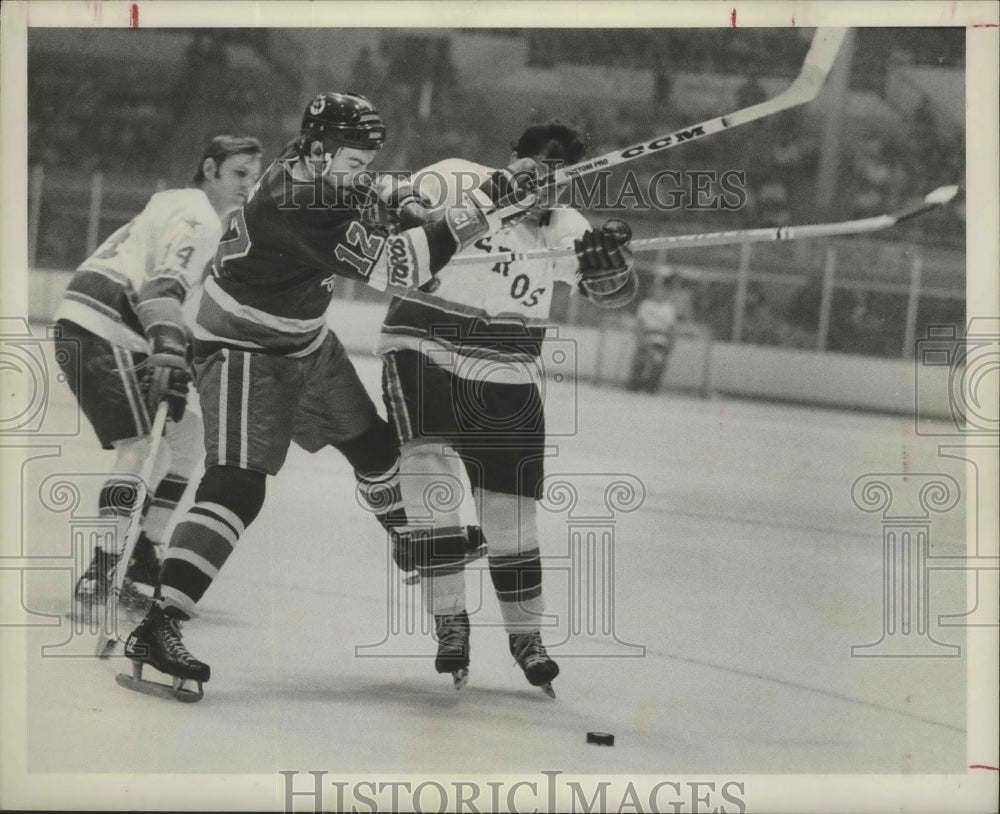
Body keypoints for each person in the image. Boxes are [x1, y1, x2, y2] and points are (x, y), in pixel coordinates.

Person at [120, 92, 541, 698]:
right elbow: (397, 267)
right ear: (319, 151)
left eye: (367, 161)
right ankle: (159, 626)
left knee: (375, 449)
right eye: (354, 160)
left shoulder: (311, 167)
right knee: (238, 483)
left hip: (303, 343)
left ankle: (409, 541)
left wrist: (403, 197)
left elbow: (365, 194)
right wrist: (482, 207)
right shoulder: (299, 201)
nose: (361, 171)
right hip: (245, 350)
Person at [377, 122, 637, 695]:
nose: (545, 185)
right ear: (511, 158)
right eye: (537, 168)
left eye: (559, 178)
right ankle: (450, 620)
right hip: (425, 349)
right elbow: (393, 201)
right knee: (431, 486)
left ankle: (526, 637)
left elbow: (612, 293)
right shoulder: (457, 177)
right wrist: (421, 213)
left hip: (507, 372)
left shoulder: (565, 226)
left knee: (511, 519)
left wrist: (609, 267)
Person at [54, 135, 264, 609]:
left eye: (253, 177)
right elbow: (163, 286)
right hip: (104, 326)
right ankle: (103, 569)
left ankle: (144, 547)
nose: (247, 186)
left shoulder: (177, 203)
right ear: (209, 169)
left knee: (187, 436)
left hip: (104, 324)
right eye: (238, 174)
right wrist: (168, 347)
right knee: (145, 447)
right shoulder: (200, 219)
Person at [627, 272, 680, 393]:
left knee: (659, 361)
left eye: (662, 290)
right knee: (640, 359)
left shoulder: (669, 308)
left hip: (661, 339)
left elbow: (672, 328)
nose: (659, 292)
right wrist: (642, 339)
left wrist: (671, 343)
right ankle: (634, 386)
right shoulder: (646, 305)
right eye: (657, 290)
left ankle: (652, 387)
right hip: (646, 337)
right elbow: (640, 324)